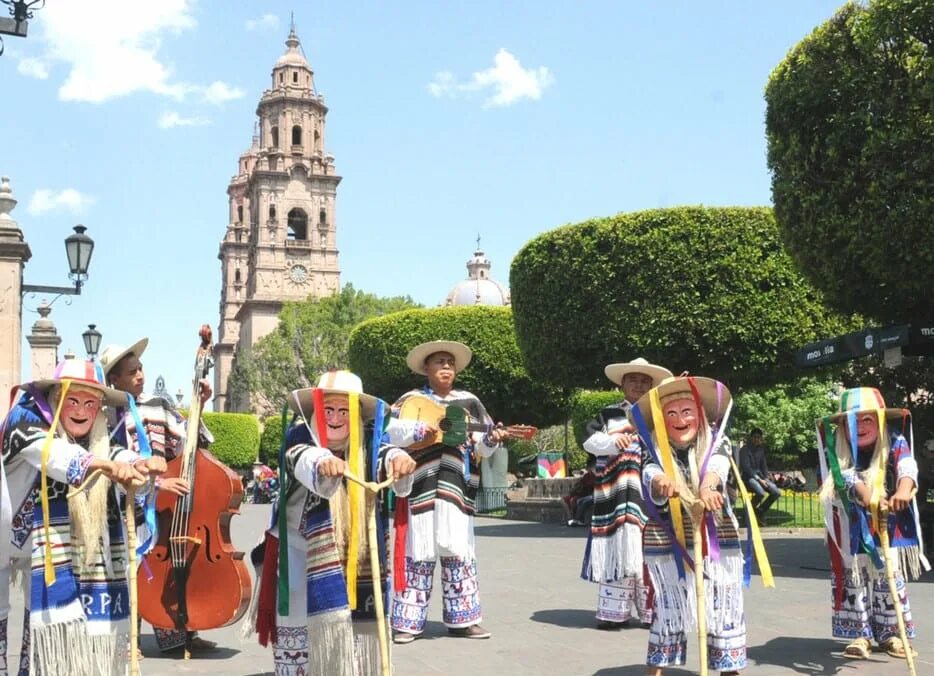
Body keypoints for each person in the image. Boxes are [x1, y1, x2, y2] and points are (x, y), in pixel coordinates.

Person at [0, 358, 165, 675]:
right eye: (71, 400)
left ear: (100, 407)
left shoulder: (98, 435)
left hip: (42, 552)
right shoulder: (25, 419)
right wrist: (100, 465)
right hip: (2, 536)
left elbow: (118, 456)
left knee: (44, 631)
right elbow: (54, 455)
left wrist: (141, 467)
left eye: (91, 403)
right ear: (55, 398)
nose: (80, 410)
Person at [244, 370, 415, 675]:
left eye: (343, 410)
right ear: (316, 412)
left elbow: (386, 455)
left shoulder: (369, 442)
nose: (335, 418)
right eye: (328, 410)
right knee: (298, 629)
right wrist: (324, 462)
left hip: (354, 553)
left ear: (356, 414)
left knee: (349, 638)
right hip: (297, 552)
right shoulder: (299, 437)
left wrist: (398, 462)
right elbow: (302, 458)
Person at [99, 339, 217, 655]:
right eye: (131, 372)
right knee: (128, 567)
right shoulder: (104, 415)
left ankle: (178, 631)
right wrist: (158, 482)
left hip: (162, 507)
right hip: (124, 503)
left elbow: (188, 444)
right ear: (115, 379)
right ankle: (128, 639)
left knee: (163, 561)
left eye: (140, 369)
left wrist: (200, 404)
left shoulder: (159, 406)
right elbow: (107, 460)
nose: (140, 375)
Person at [387, 340, 509, 643]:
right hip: (420, 485)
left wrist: (493, 439)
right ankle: (408, 621)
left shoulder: (470, 402)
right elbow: (390, 431)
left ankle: (465, 619)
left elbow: (483, 444)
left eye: (450, 363)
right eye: (439, 362)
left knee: (458, 548)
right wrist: (418, 432)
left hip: (457, 486)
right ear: (426, 368)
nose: (445, 367)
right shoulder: (411, 401)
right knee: (419, 550)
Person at [633, 375, 749, 676]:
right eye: (671, 413)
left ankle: (728, 668)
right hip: (669, 538)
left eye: (686, 412)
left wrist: (709, 489)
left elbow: (717, 467)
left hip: (715, 537)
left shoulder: (716, 440)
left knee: (723, 601)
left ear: (699, 414)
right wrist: (661, 483)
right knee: (670, 604)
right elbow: (650, 473)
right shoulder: (653, 447)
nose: (680, 419)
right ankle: (656, 668)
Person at [817, 387, 930, 661]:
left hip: (889, 524)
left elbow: (907, 466)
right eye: (853, 421)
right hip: (852, 524)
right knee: (854, 576)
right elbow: (846, 479)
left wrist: (903, 491)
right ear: (843, 426)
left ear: (879, 420)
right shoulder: (838, 450)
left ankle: (892, 633)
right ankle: (861, 633)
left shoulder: (894, 439)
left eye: (868, 419)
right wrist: (870, 498)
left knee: (888, 575)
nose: (861, 426)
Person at [581, 357, 672, 630]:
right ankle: (613, 612)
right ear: (622, 384)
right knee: (618, 548)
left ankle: (650, 611)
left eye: (645, 381)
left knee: (650, 551)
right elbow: (590, 442)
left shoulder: (659, 414)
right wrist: (611, 441)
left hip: (648, 494)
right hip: (616, 492)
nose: (639, 384)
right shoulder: (608, 414)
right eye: (633, 379)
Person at [739, 428, 781, 521]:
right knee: (760, 493)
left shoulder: (760, 450)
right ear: (751, 438)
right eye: (755, 437)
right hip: (748, 477)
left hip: (761, 477)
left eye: (759, 437)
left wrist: (766, 478)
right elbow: (746, 468)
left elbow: (764, 466)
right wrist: (759, 479)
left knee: (776, 492)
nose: (757, 439)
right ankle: (748, 513)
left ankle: (760, 510)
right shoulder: (744, 450)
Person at [564, 457, 596, 527]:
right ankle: (572, 518)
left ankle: (579, 520)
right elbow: (581, 485)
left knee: (582, 501)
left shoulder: (597, 475)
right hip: (587, 494)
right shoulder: (587, 476)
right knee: (576, 500)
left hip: (595, 495)